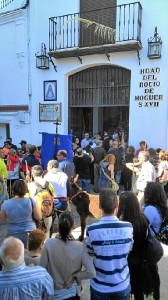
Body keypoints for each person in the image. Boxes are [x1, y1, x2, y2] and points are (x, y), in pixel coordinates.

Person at [86, 188, 133, 299]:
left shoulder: (92, 229)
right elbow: (129, 249)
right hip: (122, 284)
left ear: (99, 206)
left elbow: (90, 252)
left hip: (99, 285)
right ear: (117, 206)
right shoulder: (128, 227)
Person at [40, 211, 96, 300]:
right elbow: (92, 273)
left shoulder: (48, 244)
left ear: (58, 226)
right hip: (72, 293)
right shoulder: (80, 247)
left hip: (54, 293)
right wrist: (76, 276)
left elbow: (41, 270)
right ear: (73, 225)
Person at [118, 191, 148, 300]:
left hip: (124, 263)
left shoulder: (121, 223)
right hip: (140, 261)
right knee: (139, 290)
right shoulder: (143, 219)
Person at [143, 182, 168, 300]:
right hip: (153, 246)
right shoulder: (158, 207)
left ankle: (152, 296)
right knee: (153, 273)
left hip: (147, 247)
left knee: (149, 276)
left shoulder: (150, 210)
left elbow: (141, 227)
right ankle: (155, 295)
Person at [0, 179, 42, 248]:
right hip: (30, 234)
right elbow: (39, 217)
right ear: (25, 190)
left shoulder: (6, 203)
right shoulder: (31, 201)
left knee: (15, 256)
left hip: (13, 235)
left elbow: (1, 219)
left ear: (13, 190)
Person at [28, 165, 55, 239]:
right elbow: (53, 197)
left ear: (32, 174)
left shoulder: (30, 185)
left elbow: (27, 201)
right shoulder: (49, 184)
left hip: (35, 216)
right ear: (42, 173)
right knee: (46, 234)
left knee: (36, 237)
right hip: (47, 213)